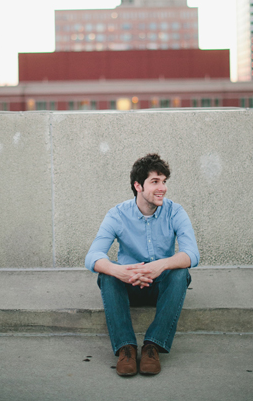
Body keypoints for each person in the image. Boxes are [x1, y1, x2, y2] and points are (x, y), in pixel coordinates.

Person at [85, 153, 199, 377]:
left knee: (180, 273)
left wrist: (160, 266)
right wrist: (119, 271)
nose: (162, 188)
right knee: (107, 274)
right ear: (138, 185)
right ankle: (125, 348)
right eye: (155, 182)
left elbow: (192, 254)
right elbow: (92, 256)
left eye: (164, 181)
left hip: (161, 287)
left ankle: (152, 346)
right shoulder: (117, 214)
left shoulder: (175, 211)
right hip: (130, 284)